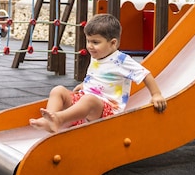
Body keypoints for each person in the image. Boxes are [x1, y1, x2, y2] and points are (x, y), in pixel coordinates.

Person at [29, 13, 166, 133]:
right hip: (86, 106)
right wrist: (84, 84)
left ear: (113, 43)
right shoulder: (98, 55)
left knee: (89, 100)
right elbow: (97, 76)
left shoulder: (121, 60)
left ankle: (59, 119)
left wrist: (156, 94)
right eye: (88, 41)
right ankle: (49, 119)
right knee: (58, 90)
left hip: (107, 112)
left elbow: (144, 74)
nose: (90, 46)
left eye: (95, 42)